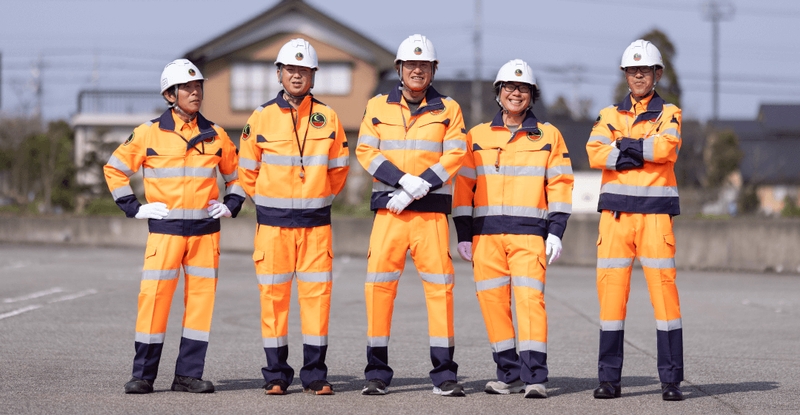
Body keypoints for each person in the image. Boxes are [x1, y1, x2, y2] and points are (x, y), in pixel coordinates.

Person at [104, 58, 245, 394]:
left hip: (205, 235)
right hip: (164, 234)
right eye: (188, 88)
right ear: (170, 94)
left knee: (199, 306)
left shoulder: (216, 135)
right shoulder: (147, 133)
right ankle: (143, 376)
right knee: (153, 300)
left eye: (199, 87)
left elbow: (238, 175)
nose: (196, 93)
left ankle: (188, 375)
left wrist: (231, 203)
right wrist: (133, 207)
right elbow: (115, 169)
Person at [453, 59, 574, 399]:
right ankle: (508, 373)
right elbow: (464, 187)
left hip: (529, 235)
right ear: (499, 93)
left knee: (529, 302)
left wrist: (556, 229)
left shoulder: (548, 135)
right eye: (509, 87)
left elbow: (561, 185)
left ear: (531, 96)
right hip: (485, 236)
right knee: (492, 303)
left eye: (522, 88)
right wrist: (463, 233)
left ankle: (535, 376)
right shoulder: (476, 136)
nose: (515, 93)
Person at [355, 34, 467, 397]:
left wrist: (423, 185)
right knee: (378, 290)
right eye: (411, 65)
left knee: (440, 291)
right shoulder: (376, 106)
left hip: (431, 215)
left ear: (433, 70)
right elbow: (365, 151)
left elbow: (455, 155)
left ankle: (444, 373)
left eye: (424, 66)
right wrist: (402, 182)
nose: (417, 71)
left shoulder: (448, 109)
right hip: (389, 212)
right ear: (399, 70)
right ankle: (376, 372)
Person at [238, 38, 349, 396]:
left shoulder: (328, 117)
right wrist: (269, 203)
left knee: (317, 300)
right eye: (291, 70)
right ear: (279, 74)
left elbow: (339, 168)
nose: (297, 75)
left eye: (304, 70)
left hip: (316, 226)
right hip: (272, 226)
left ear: (313, 75)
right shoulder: (260, 117)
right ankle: (276, 374)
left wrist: (318, 199)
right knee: (273, 299)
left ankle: (315, 374)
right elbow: (247, 170)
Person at [585, 39, 684, 401]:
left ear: (657, 74)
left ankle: (671, 381)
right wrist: (641, 148)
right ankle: (609, 380)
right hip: (615, 219)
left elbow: (666, 147)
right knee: (611, 303)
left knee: (665, 301)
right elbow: (595, 152)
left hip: (656, 219)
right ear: (625, 75)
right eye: (632, 70)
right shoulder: (608, 113)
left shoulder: (670, 112)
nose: (638, 75)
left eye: (645, 70)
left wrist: (623, 146)